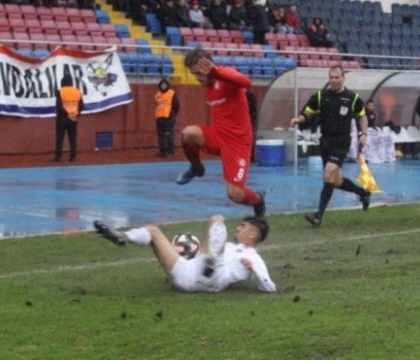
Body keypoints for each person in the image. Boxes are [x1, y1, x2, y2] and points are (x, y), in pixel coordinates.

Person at [175, 48, 266, 218]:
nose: (197, 78)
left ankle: (258, 200)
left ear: (207, 66)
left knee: (235, 195)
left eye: (198, 73)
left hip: (237, 143)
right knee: (188, 134)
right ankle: (196, 168)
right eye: (193, 74)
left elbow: (246, 82)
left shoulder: (224, 74)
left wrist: (216, 72)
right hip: (218, 136)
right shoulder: (208, 84)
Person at [93, 215, 277, 293]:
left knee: (217, 219)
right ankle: (122, 236)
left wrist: (253, 270)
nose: (238, 228)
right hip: (188, 277)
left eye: (243, 227)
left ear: (253, 235)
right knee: (153, 231)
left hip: (217, 278)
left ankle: (209, 260)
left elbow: (270, 287)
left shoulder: (254, 257)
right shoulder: (229, 246)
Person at [289, 65, 371, 227]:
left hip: (342, 141)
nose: (333, 80)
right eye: (331, 77)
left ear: (343, 78)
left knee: (328, 174)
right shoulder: (321, 96)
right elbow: (307, 112)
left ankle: (318, 215)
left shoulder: (352, 98)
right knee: (336, 181)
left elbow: (362, 116)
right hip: (325, 141)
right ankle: (363, 193)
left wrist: (364, 134)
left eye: (337, 77)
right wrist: (299, 119)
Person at [53, 73, 84, 162]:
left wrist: (67, 114)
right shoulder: (77, 91)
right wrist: (75, 115)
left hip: (62, 118)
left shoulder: (61, 91)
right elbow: (81, 106)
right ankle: (73, 156)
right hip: (73, 118)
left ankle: (58, 157)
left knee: (60, 137)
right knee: (73, 138)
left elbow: (58, 106)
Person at [154, 76, 181, 158]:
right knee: (161, 135)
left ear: (167, 85)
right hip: (159, 118)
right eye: (162, 85)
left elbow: (177, 105)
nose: (163, 86)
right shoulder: (157, 94)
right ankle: (162, 152)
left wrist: (172, 114)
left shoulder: (172, 93)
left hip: (169, 117)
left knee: (169, 135)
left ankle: (170, 152)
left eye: (165, 85)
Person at [246, 88, 258, 163]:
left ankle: (251, 156)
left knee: (251, 137)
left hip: (250, 118)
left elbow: (253, 108)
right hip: (244, 118)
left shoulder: (250, 95)